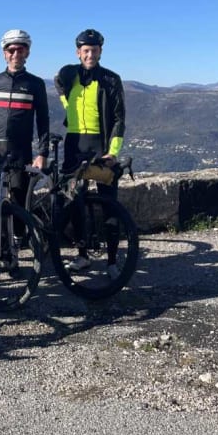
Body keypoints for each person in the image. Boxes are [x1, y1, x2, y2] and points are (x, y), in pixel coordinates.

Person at [54, 28, 126, 273]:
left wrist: (113, 152)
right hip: (74, 144)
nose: (90, 55)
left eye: (94, 50)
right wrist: (67, 108)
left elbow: (119, 118)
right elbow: (58, 83)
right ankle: (82, 254)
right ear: (78, 52)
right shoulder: (69, 75)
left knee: (109, 203)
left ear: (100, 52)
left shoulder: (111, 79)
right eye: (86, 50)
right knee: (74, 200)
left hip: (100, 145)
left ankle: (113, 261)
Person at [0, 29, 51, 214]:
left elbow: (43, 120)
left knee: (20, 199)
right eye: (11, 50)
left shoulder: (36, 83)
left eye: (20, 49)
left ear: (27, 53)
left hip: (20, 150)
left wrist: (42, 153)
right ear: (4, 53)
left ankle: (17, 239)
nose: (15, 54)